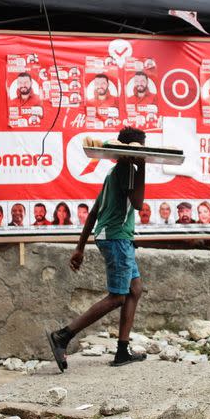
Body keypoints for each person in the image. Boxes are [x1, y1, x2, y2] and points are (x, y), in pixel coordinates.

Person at [47, 127, 147, 371]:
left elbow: (93, 212)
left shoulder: (113, 172)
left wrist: (79, 248)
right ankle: (63, 336)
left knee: (135, 289)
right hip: (117, 239)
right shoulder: (127, 170)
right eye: (140, 149)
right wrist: (142, 166)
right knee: (118, 297)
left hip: (112, 237)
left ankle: (122, 351)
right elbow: (138, 203)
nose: (141, 153)